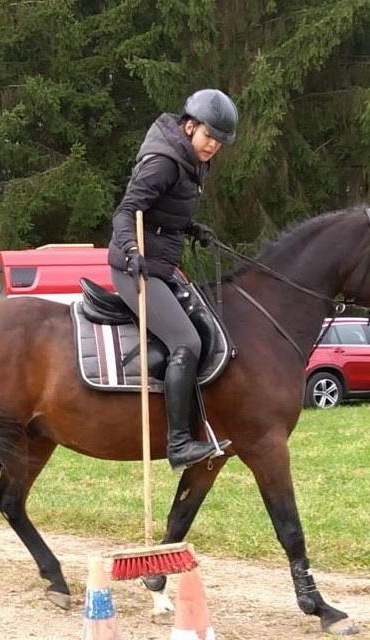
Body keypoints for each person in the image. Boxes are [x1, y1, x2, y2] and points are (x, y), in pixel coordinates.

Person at [107, 88, 238, 471]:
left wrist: (189, 227)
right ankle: (179, 444)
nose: (213, 145)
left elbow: (163, 212)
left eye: (219, 141)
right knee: (186, 340)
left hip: (162, 267)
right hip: (134, 268)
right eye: (208, 136)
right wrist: (132, 252)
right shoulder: (164, 162)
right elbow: (126, 211)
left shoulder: (192, 160)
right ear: (190, 125)